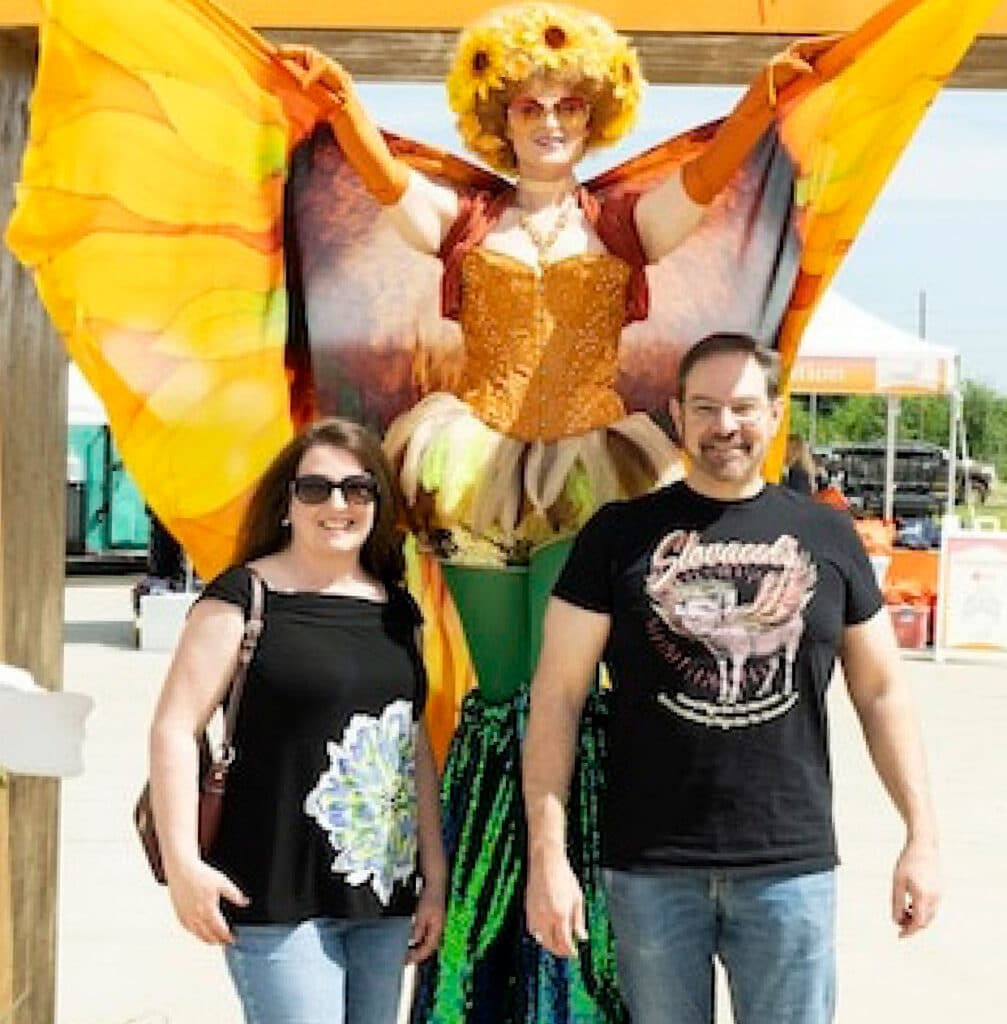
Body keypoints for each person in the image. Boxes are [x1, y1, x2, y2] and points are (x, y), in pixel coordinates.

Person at [277, 8, 827, 1019]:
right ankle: (485, 958)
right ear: (499, 115)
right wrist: (343, 103)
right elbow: (385, 184)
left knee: (567, 701)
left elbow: (708, 181)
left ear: (594, 113)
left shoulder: (620, 223)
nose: (548, 121)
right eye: (528, 106)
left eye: (567, 105)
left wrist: (760, 101)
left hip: (591, 478)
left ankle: (583, 968)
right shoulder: (464, 221)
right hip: (475, 470)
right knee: (501, 704)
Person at [524, 333, 940, 1024]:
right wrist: (547, 856)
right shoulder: (617, 536)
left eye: (744, 407)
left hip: (789, 866)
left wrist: (920, 836)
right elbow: (557, 696)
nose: (725, 425)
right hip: (650, 867)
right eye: (706, 407)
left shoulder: (828, 535)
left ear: (775, 415)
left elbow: (881, 692)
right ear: (677, 415)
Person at [148, 418, 445, 1024]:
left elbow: (410, 746)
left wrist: (434, 877)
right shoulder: (242, 599)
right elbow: (174, 730)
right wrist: (183, 865)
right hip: (272, 892)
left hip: (382, 899)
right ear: (286, 504)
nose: (337, 505)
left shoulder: (399, 610)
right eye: (315, 489)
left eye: (358, 489)